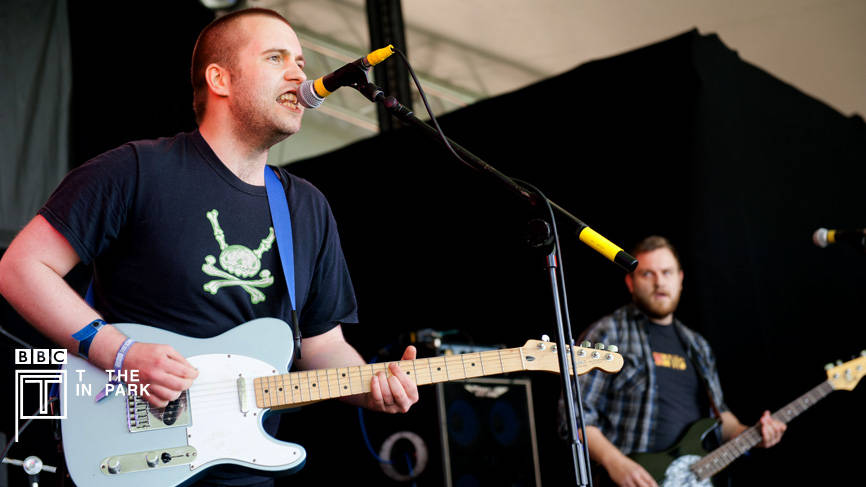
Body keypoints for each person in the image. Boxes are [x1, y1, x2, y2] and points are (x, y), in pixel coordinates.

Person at [0, 8, 418, 486]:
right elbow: (21, 267)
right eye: (276, 57)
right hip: (133, 459)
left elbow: (323, 346)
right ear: (220, 79)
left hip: (243, 473)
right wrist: (120, 353)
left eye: (301, 62)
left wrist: (372, 386)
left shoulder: (306, 207)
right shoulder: (135, 171)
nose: (299, 74)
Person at [571, 236, 786, 487]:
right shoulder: (609, 333)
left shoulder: (697, 346)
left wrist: (752, 434)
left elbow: (722, 419)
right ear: (630, 282)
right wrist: (615, 462)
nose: (659, 282)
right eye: (647, 274)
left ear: (680, 279)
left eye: (667, 272)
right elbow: (575, 416)